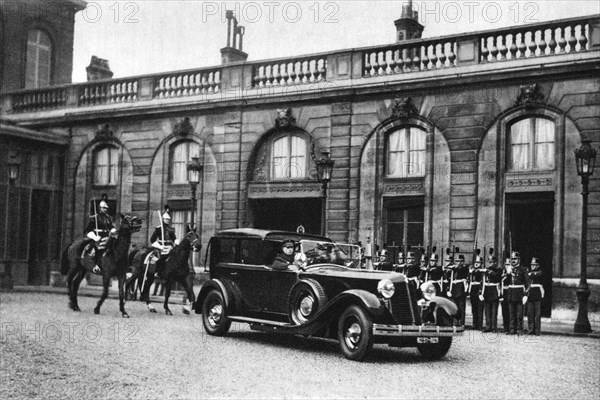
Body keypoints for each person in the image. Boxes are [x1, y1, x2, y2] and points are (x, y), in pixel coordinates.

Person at [84, 194, 115, 274]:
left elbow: (110, 226)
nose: (105, 209)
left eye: (106, 208)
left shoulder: (108, 218)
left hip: (107, 236)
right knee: (99, 248)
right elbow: (88, 229)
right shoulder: (94, 218)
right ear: (100, 208)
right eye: (104, 208)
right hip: (98, 236)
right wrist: (94, 237)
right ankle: (96, 265)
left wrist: (112, 229)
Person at [507, 251, 530, 335]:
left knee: (519, 314)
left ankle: (519, 329)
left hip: (519, 294)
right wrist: (507, 273)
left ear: (519, 260)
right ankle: (512, 329)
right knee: (512, 314)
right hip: (511, 294)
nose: (513, 261)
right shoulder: (508, 269)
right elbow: (505, 282)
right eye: (512, 259)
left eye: (515, 259)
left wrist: (525, 295)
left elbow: (528, 283)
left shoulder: (523, 270)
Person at [150, 206, 177, 279]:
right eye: (166, 219)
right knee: (161, 259)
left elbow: (173, 238)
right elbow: (152, 240)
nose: (168, 220)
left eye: (169, 219)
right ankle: (157, 272)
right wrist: (160, 246)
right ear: (163, 219)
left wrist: (176, 241)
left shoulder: (171, 229)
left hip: (170, 248)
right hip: (161, 248)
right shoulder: (158, 229)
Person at [482, 249, 502, 333]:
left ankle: (494, 327)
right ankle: (488, 326)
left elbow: (497, 276)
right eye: (489, 262)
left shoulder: (498, 270)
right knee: (487, 311)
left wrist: (489, 272)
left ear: (495, 263)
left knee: (494, 311)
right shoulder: (486, 270)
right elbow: (482, 281)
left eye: (492, 262)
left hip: (494, 292)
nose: (490, 263)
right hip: (487, 291)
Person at [448, 253, 468, 326]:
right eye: (456, 261)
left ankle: (461, 322)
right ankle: (455, 321)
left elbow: (460, 269)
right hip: (454, 288)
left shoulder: (464, 268)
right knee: (455, 306)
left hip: (461, 288)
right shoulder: (454, 268)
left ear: (462, 262)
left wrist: (453, 267)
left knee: (461, 306)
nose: (457, 263)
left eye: (459, 261)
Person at [526, 257, 544, 335]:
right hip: (530, 294)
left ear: (538, 265)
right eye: (532, 265)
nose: (532, 266)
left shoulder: (540, 272)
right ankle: (531, 329)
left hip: (537, 294)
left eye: (534, 265)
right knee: (530, 313)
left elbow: (537, 275)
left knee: (537, 314)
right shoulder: (528, 272)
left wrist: (531, 274)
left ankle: (537, 330)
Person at [469, 252, 485, 330]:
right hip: (472, 290)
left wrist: (481, 291)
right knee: (474, 308)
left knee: (479, 309)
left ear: (481, 264)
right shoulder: (472, 271)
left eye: (478, 263)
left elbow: (483, 281)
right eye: (475, 262)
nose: (476, 264)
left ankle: (479, 325)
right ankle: (474, 324)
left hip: (479, 290)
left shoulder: (481, 271)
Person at [500, 257, 512, 333]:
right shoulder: (502, 271)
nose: (507, 266)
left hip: (510, 292)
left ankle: (511, 327)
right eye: (506, 264)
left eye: (508, 264)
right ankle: (506, 327)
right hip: (503, 292)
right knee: (504, 310)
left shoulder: (511, 272)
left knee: (510, 310)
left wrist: (509, 274)